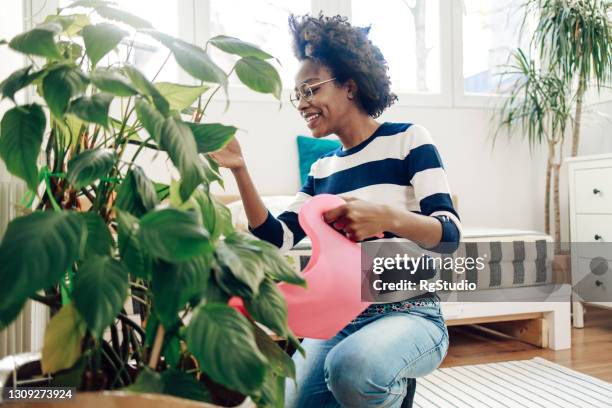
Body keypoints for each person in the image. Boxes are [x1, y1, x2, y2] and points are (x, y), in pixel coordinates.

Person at [210, 14, 461, 408]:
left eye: (310, 90)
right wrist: (241, 171)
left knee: (352, 370)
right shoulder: (321, 169)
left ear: (350, 86)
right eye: (298, 94)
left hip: (411, 313)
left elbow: (449, 234)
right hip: (340, 318)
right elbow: (278, 238)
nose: (302, 103)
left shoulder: (409, 140)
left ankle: (393, 389)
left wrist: (387, 218)